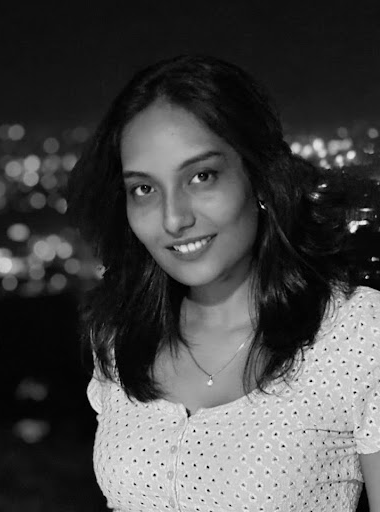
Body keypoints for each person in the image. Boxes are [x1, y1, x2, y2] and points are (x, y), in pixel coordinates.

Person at [67, 55, 380, 511]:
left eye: (201, 176)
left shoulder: (355, 333)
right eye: (144, 189)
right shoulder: (121, 337)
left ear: (259, 177)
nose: (174, 219)